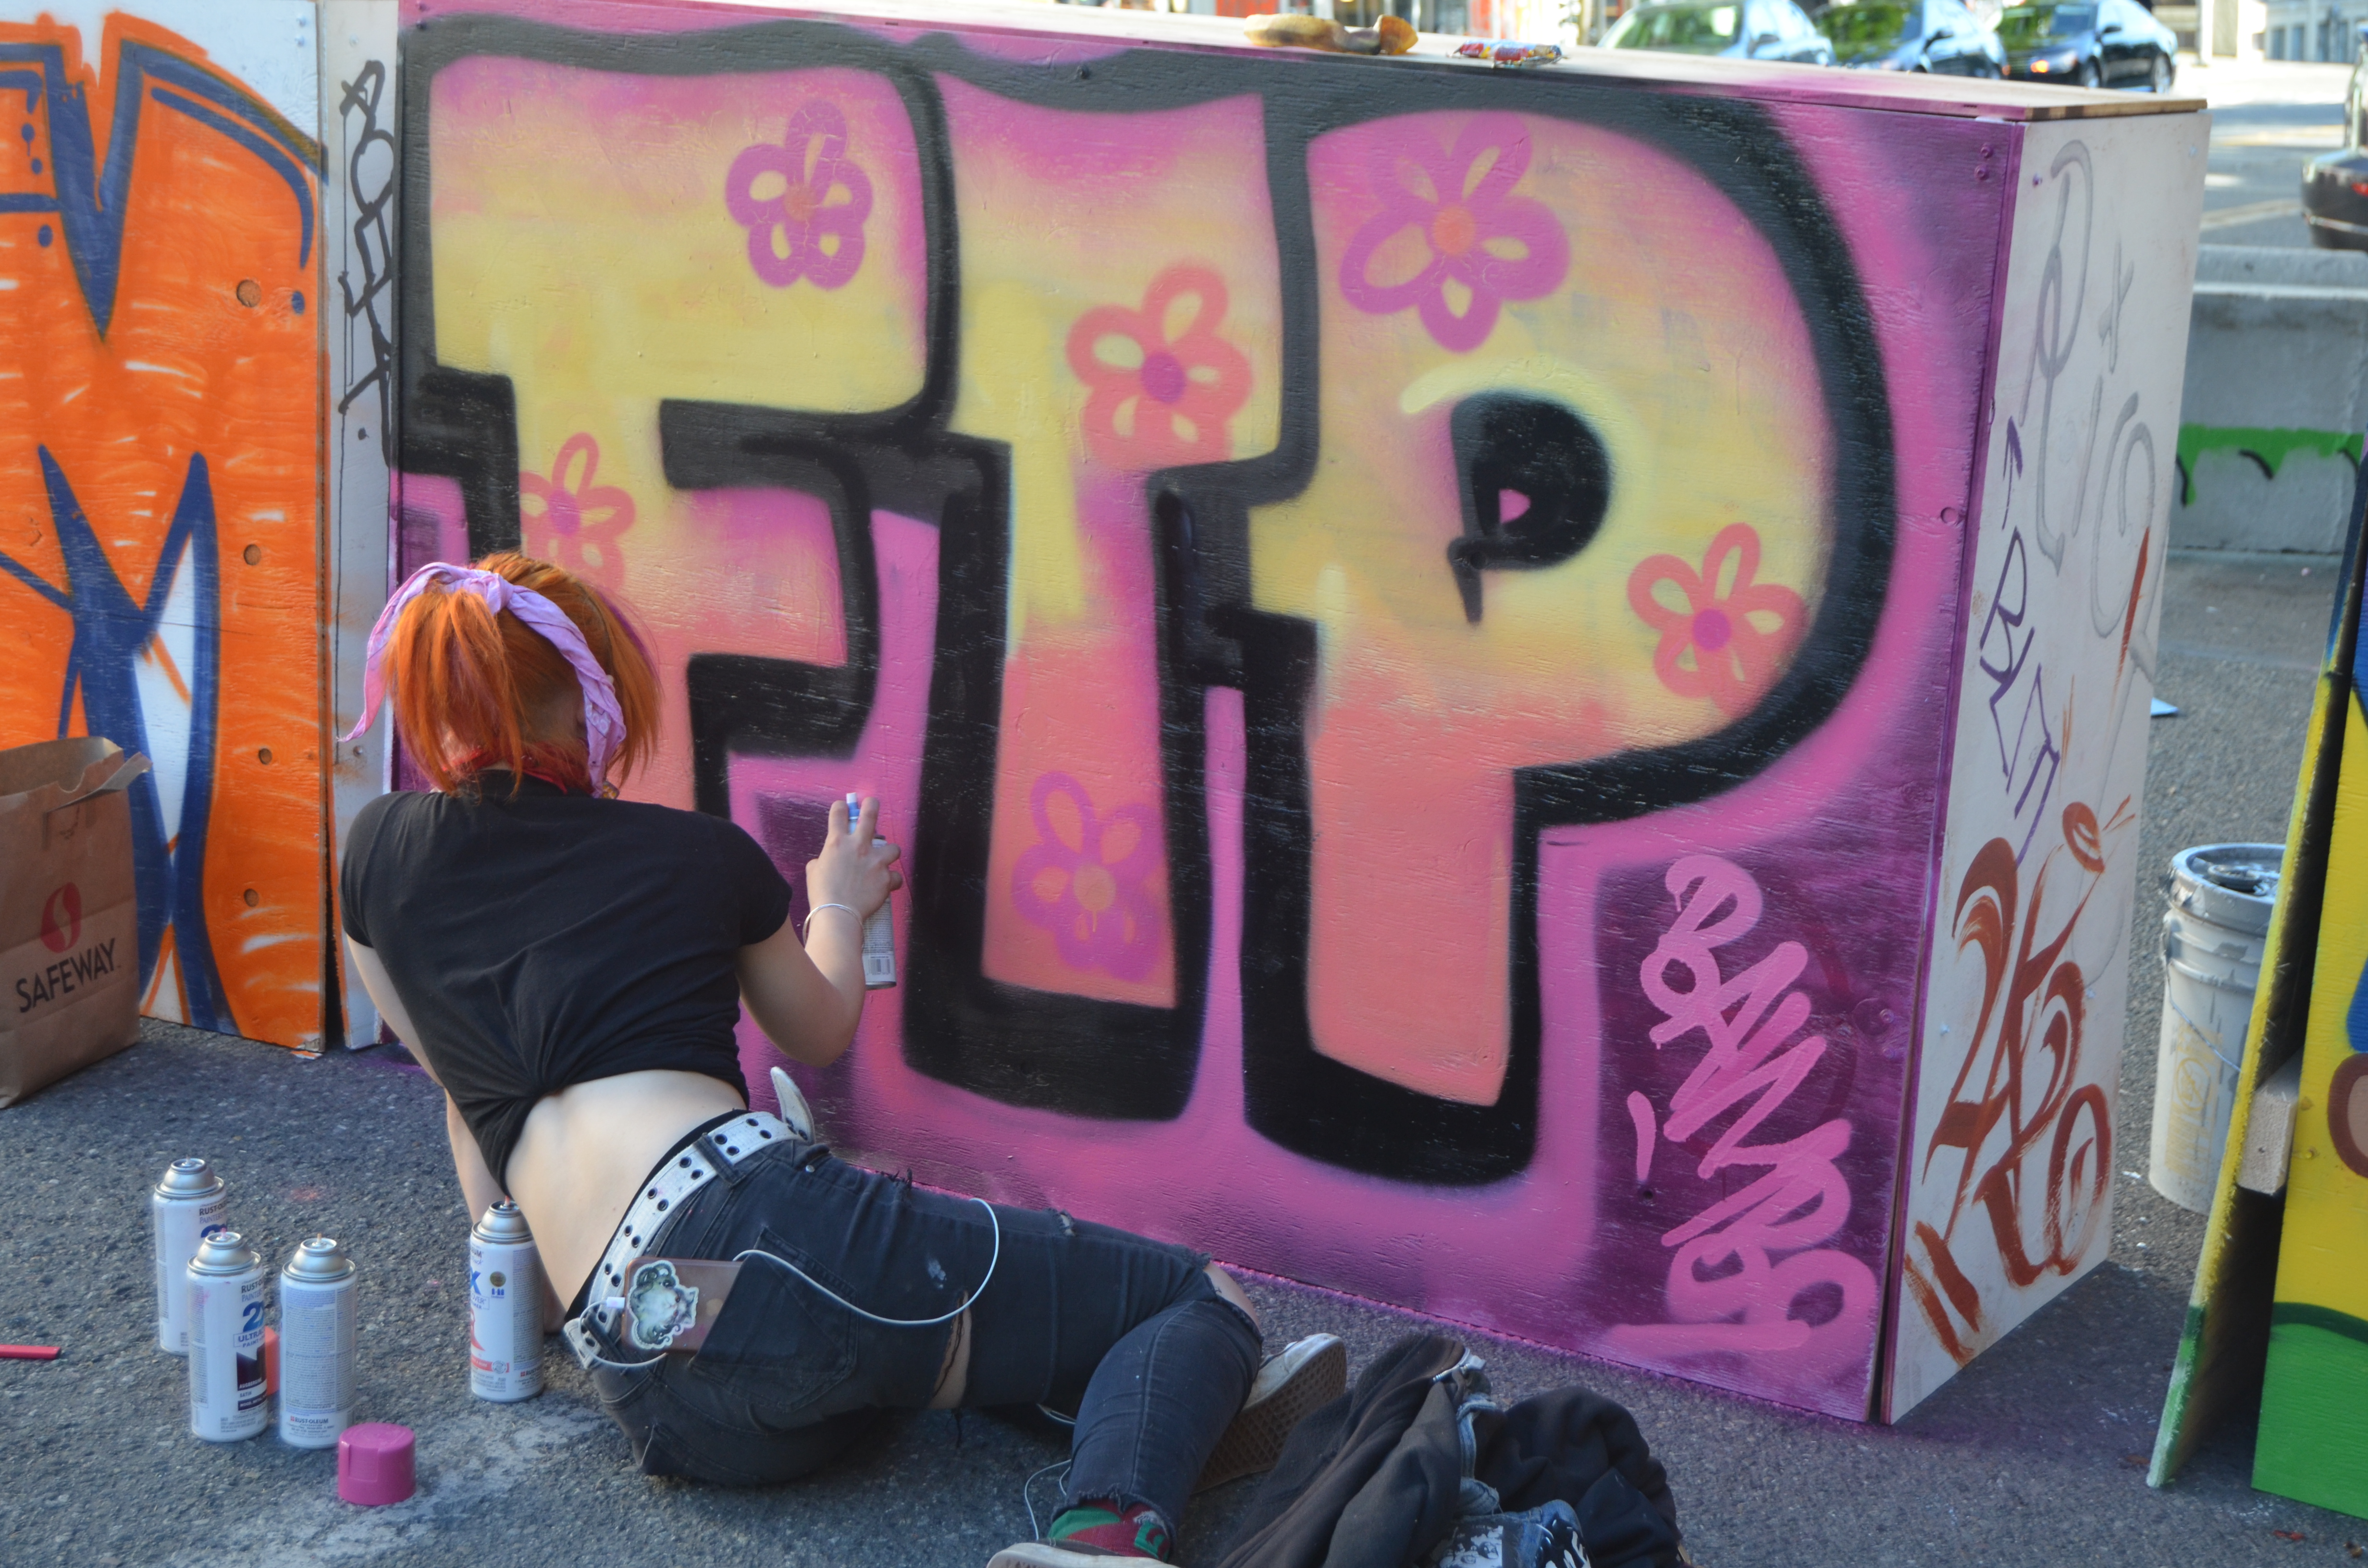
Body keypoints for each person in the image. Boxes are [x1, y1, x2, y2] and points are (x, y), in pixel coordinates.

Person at [336, 554, 1340, 1567]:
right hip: (761, 1239)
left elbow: (470, 1104)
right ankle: (1109, 1531)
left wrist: (532, 1305)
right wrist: (840, 902)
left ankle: (1150, 1397)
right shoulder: (695, 855)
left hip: (659, 1383)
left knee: (890, 1337)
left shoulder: (376, 858)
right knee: (1192, 1298)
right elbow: (817, 1028)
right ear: (599, 698)